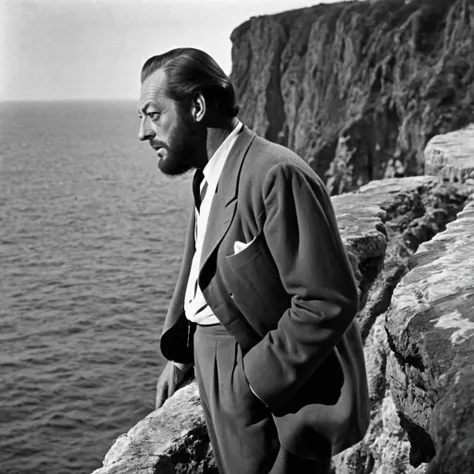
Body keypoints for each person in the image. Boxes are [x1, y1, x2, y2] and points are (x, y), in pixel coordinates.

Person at [138, 47, 370, 474]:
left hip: (262, 385)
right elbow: (203, 271)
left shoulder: (276, 173)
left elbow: (327, 300)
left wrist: (252, 382)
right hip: (214, 368)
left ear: (197, 107)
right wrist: (183, 357)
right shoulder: (210, 175)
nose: (143, 132)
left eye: (153, 114)